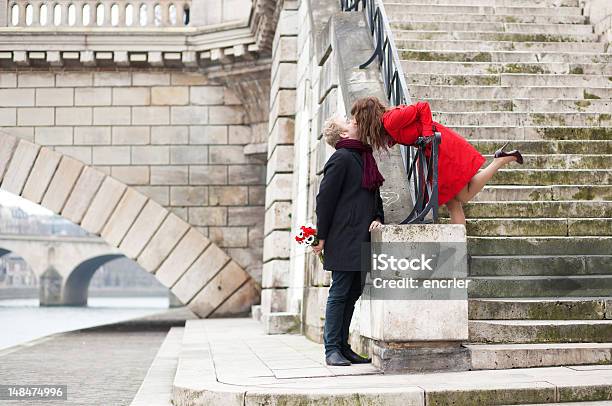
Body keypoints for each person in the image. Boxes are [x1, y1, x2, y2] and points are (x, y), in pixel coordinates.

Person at [349, 96, 523, 224]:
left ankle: (499, 161)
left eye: (357, 119)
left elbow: (422, 106)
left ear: (366, 117)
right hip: (432, 150)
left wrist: (426, 135)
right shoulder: (387, 125)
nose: (356, 122)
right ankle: (458, 254)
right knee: (453, 202)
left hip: (441, 148)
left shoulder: (390, 120)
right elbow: (405, 131)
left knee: (462, 196)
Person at [312, 113, 385, 366]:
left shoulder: (365, 156)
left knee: (353, 292)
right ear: (343, 134)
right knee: (340, 292)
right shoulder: (341, 159)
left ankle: (343, 347)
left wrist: (378, 217)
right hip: (343, 237)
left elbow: (374, 196)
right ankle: (331, 349)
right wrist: (320, 237)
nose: (354, 121)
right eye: (348, 121)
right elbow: (325, 199)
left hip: (362, 237)